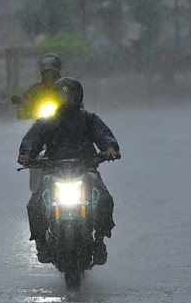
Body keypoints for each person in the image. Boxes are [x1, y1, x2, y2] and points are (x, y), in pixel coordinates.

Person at [18, 77, 121, 265]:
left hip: (86, 169)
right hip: (54, 170)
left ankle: (99, 241)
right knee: (35, 204)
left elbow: (104, 135)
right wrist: (26, 154)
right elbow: (32, 139)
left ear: (78, 97)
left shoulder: (89, 119)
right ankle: (41, 243)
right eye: (62, 96)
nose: (66, 100)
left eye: (70, 95)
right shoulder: (46, 122)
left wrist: (110, 148)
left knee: (104, 199)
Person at [16, 53, 64, 119]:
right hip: (41, 123)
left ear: (57, 71)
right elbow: (27, 100)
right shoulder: (36, 88)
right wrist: (22, 108)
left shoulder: (66, 86)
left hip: (65, 122)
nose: (49, 74)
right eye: (46, 71)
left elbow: (77, 103)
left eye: (51, 71)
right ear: (42, 72)